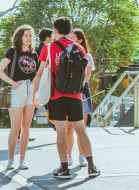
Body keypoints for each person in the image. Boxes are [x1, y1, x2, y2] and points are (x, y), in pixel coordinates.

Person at [32, 17, 100, 179]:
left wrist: (35, 94)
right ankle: (91, 166)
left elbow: (40, 73)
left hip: (57, 96)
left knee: (61, 132)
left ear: (55, 30)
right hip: (76, 96)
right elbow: (84, 75)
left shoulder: (49, 48)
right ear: (69, 31)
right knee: (81, 131)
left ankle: (64, 168)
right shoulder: (79, 49)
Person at [0, 25, 39, 170]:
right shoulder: (13, 51)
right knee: (15, 128)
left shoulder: (34, 54)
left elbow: (36, 76)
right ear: (20, 36)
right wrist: (13, 83)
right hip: (17, 90)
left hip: (31, 90)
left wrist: (35, 90)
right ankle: (10, 160)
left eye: (30, 35)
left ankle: (22, 160)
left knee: (26, 128)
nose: (28, 38)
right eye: (26, 35)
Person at [66, 28, 95, 167]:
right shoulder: (66, 53)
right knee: (69, 128)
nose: (69, 39)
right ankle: (68, 156)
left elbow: (87, 75)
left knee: (81, 128)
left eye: (72, 37)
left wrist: (79, 87)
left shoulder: (87, 56)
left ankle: (82, 155)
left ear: (80, 40)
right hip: (69, 93)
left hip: (82, 92)